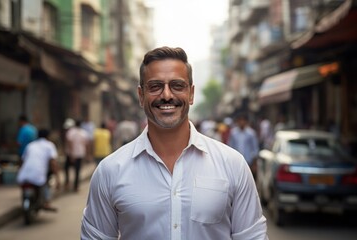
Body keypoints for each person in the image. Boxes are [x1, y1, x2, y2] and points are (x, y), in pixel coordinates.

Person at [81, 47, 268, 239]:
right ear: (141, 95)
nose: (167, 95)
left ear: (191, 94)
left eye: (177, 86)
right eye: (155, 86)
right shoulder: (110, 170)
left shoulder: (232, 164)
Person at [16, 129, 61, 211]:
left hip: (23, 174)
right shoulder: (49, 145)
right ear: (48, 136)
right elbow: (53, 163)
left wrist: (19, 171)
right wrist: (58, 178)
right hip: (38, 174)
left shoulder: (30, 145)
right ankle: (47, 202)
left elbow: (22, 160)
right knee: (45, 182)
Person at [65, 119, 89, 192]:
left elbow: (69, 143)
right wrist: (86, 154)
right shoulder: (84, 133)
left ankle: (68, 182)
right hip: (80, 154)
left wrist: (72, 154)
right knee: (77, 171)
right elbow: (86, 144)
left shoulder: (70, 132)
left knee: (66, 168)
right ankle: (75, 186)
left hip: (71, 154)